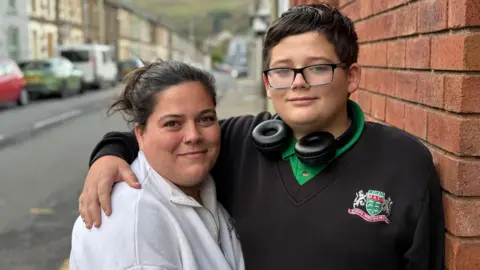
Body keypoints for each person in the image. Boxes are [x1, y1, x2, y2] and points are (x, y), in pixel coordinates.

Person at [79, 4, 444, 270]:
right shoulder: (240, 141)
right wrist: (110, 155)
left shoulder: (405, 162)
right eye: (283, 71)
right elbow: (167, 136)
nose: (298, 82)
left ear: (352, 77)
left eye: (317, 68)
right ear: (268, 83)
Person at [70, 60, 245, 270]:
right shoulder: (134, 227)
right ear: (140, 135)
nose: (193, 136)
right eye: (172, 123)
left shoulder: (201, 184)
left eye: (205, 119)